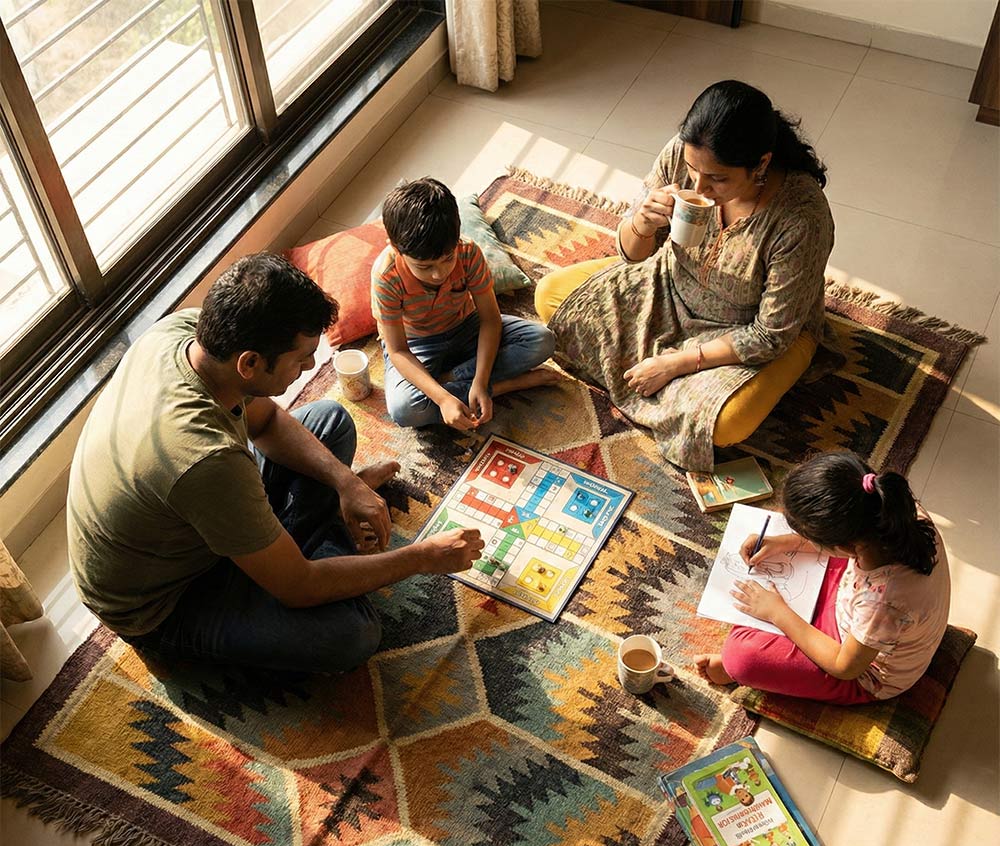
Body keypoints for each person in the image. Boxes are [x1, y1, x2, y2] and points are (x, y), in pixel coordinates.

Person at [67, 253, 483, 674]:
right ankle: (313, 549)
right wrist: (421, 557)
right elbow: (298, 589)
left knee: (329, 419)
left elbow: (264, 420)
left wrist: (347, 484)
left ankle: (304, 543)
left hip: (197, 519)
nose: (308, 367)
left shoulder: (181, 333)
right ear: (249, 363)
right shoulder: (208, 460)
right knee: (351, 634)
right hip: (168, 602)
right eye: (301, 358)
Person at [534, 80, 839, 471]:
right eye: (693, 170)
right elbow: (631, 255)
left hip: (747, 330)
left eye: (718, 178)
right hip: (669, 284)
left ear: (761, 164)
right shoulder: (681, 154)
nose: (699, 188)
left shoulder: (801, 218)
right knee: (552, 298)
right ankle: (660, 384)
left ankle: (668, 377)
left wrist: (677, 363)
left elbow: (771, 334)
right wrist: (641, 223)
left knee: (725, 423)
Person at [695, 451, 951, 704]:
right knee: (768, 600)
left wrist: (777, 613)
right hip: (858, 608)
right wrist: (785, 542)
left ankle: (741, 661)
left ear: (845, 546)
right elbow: (850, 549)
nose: (810, 542)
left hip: (862, 672)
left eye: (815, 540)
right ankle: (779, 622)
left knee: (740, 658)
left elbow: (844, 667)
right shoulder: (895, 514)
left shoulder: (884, 603)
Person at [373, 177, 556, 431]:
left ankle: (453, 379)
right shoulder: (387, 277)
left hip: (467, 326)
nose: (439, 274)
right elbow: (398, 351)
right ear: (396, 248)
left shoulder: (468, 252)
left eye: (448, 259)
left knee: (542, 340)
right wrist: (443, 398)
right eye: (424, 267)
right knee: (404, 409)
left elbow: (490, 319)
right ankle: (506, 385)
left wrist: (480, 382)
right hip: (417, 344)